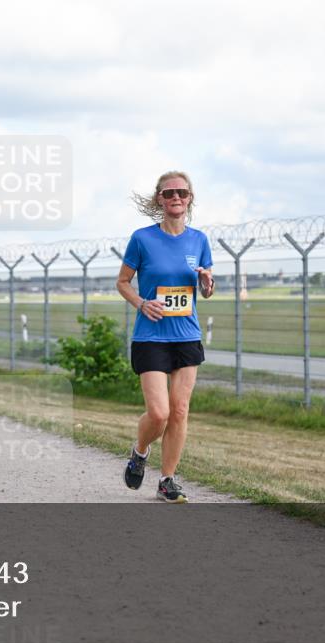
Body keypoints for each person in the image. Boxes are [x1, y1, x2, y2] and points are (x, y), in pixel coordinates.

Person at [116, 171, 214, 503]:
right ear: (160, 198)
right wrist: (142, 304)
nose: (176, 197)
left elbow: (205, 286)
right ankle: (140, 451)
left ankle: (167, 480)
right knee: (160, 413)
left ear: (190, 199)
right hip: (151, 336)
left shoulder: (199, 240)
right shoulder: (142, 238)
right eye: (169, 192)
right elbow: (123, 282)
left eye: (182, 193)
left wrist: (207, 285)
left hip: (186, 334)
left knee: (181, 409)